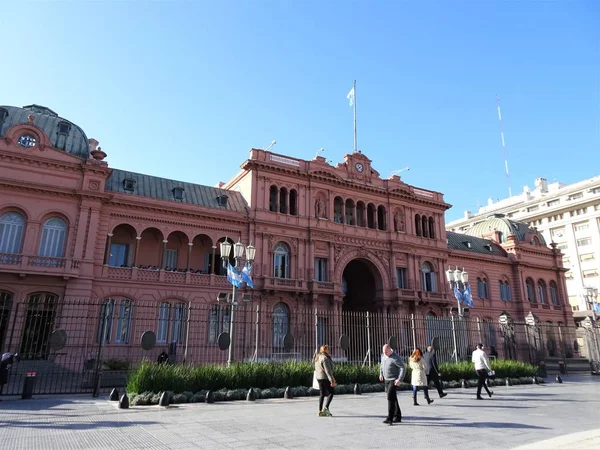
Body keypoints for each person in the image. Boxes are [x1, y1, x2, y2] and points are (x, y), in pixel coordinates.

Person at [379, 344, 405, 425]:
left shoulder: (395, 357)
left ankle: (390, 417)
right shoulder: (383, 356)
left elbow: (403, 368)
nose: (385, 353)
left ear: (390, 349)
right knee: (393, 397)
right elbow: (381, 365)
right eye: (384, 352)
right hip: (386, 379)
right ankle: (398, 416)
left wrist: (399, 379)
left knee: (390, 397)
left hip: (393, 380)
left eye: (386, 352)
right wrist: (381, 374)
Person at [314, 344, 336, 417]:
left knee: (322, 394)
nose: (328, 350)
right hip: (325, 377)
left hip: (319, 377)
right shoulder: (325, 358)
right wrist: (332, 381)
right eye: (327, 349)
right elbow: (328, 371)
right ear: (325, 350)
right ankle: (326, 409)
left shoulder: (317, 357)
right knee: (331, 392)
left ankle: (320, 411)